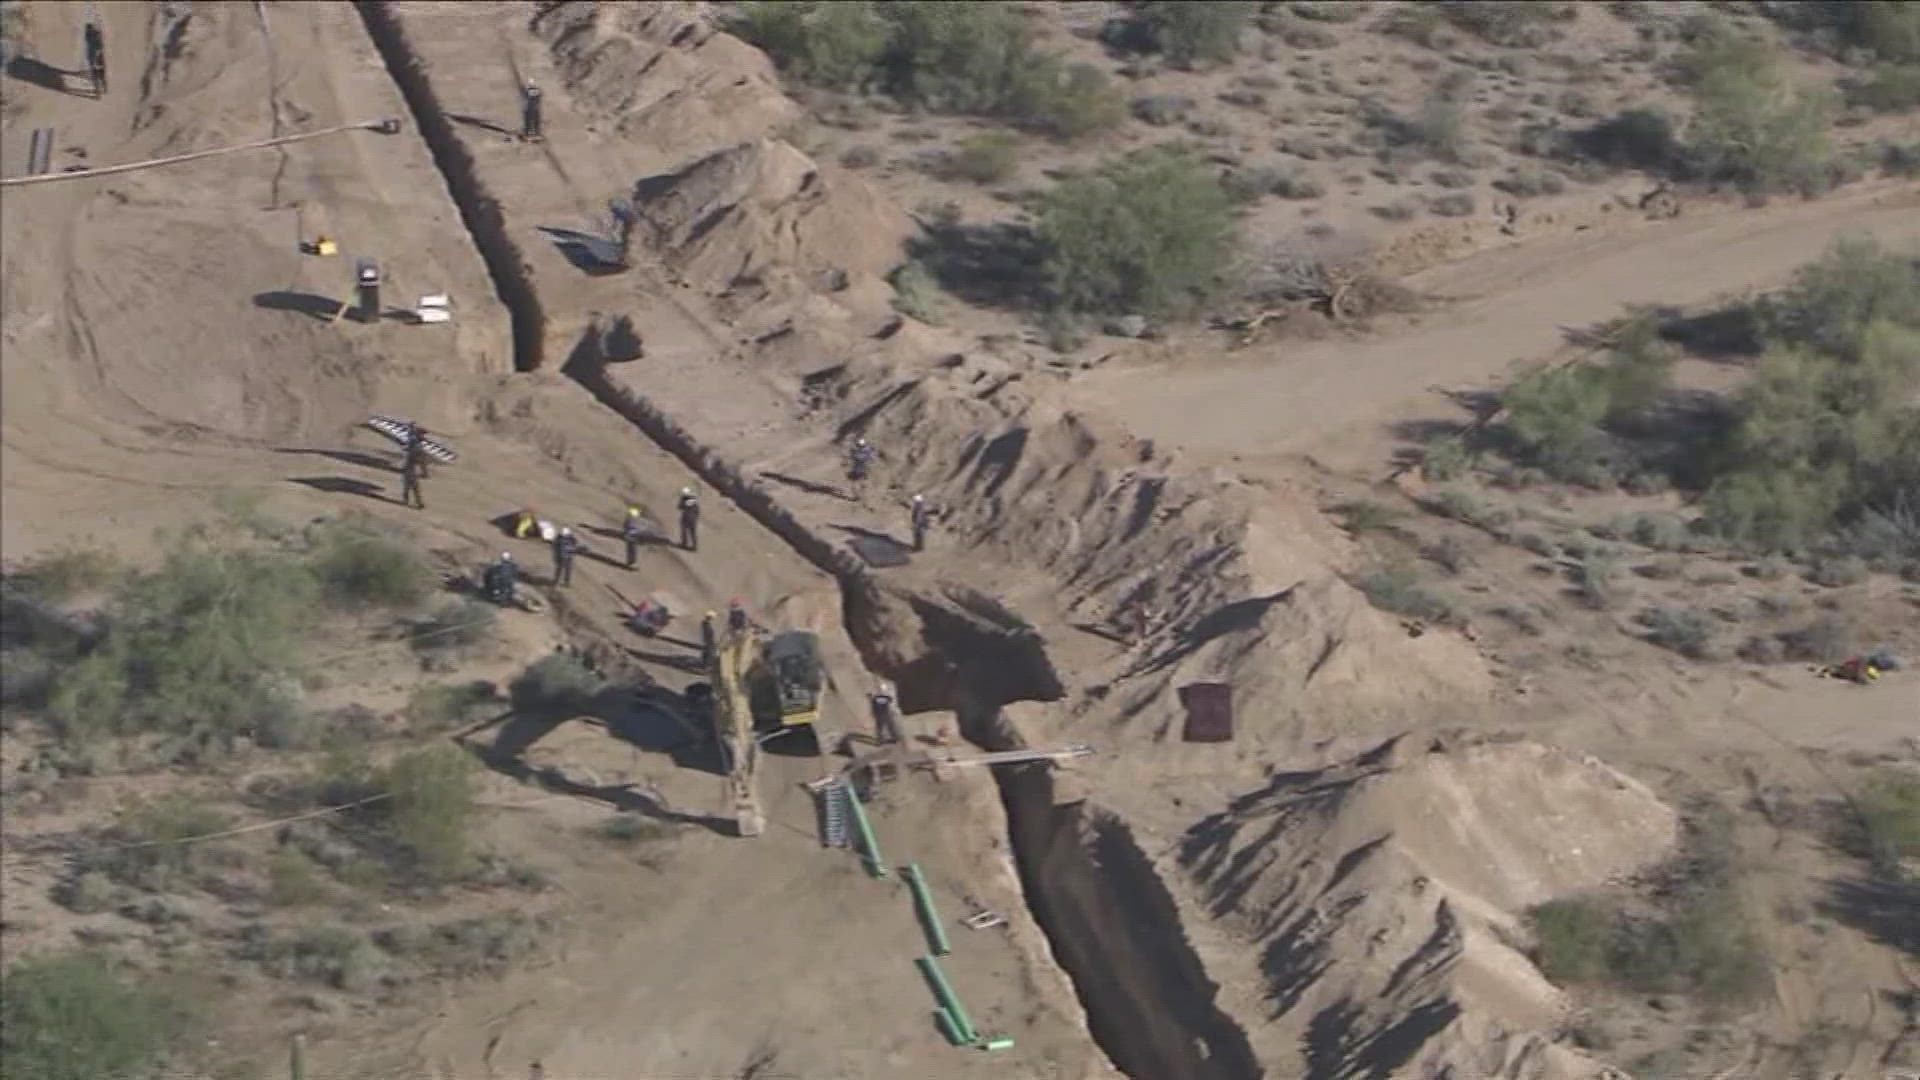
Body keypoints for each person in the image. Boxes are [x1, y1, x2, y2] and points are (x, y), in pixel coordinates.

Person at [399, 437, 426, 510]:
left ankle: (406, 501)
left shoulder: (410, 450)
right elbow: (420, 461)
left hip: (408, 470)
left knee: (407, 487)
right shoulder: (417, 449)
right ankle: (418, 502)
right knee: (414, 487)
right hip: (411, 470)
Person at [84, 21, 106, 97]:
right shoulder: (97, 37)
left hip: (94, 58)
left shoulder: (88, 36)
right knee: (101, 74)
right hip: (98, 58)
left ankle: (98, 92)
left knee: (96, 74)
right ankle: (103, 88)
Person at [677, 487, 700, 552]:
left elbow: (680, 507)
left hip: (686, 518)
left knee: (684, 531)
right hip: (693, 519)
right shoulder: (695, 501)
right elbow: (698, 511)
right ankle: (694, 547)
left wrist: (681, 499)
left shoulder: (686, 501)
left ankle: (684, 544)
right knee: (692, 533)